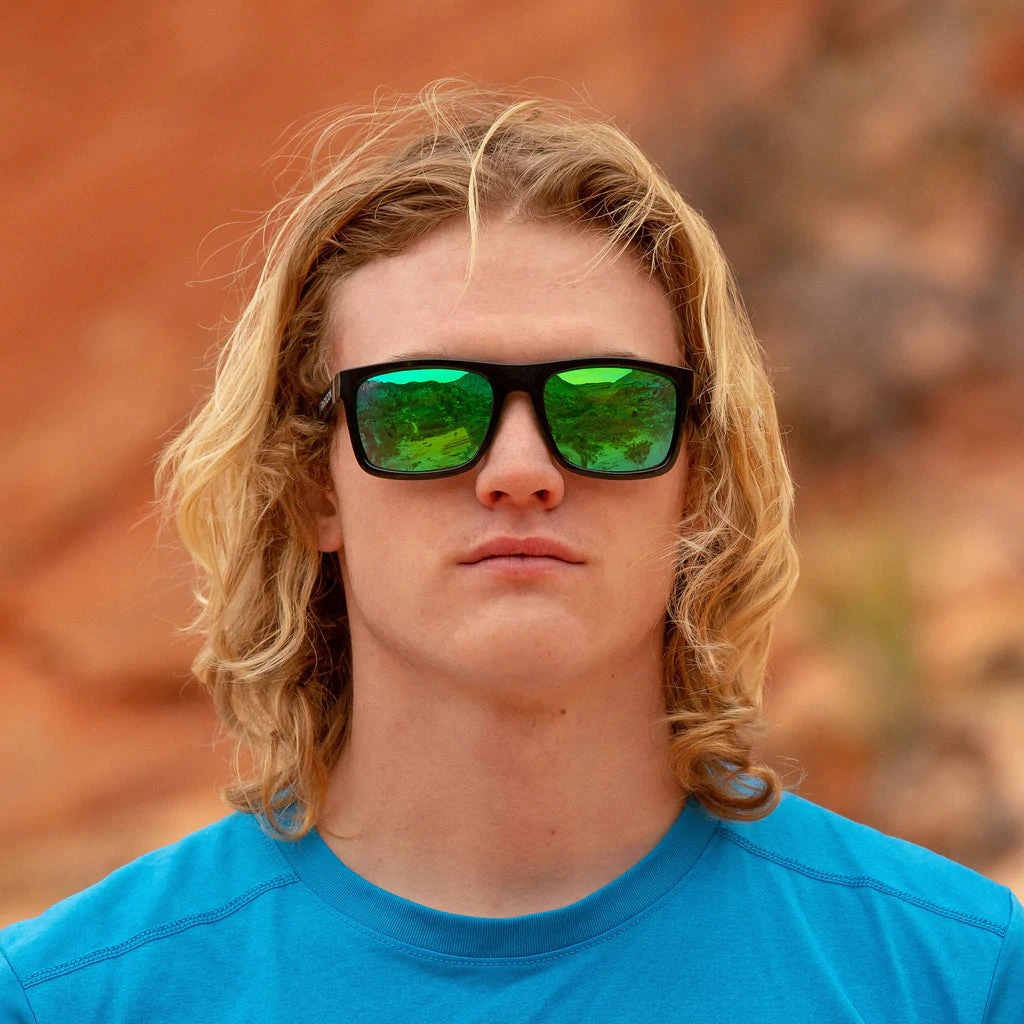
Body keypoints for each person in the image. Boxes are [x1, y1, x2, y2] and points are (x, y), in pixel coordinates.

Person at [1, 79, 1020, 1023]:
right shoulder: (71, 999)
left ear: (698, 483)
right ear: (313, 484)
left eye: (609, 408)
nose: (521, 470)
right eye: (425, 410)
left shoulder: (956, 978)